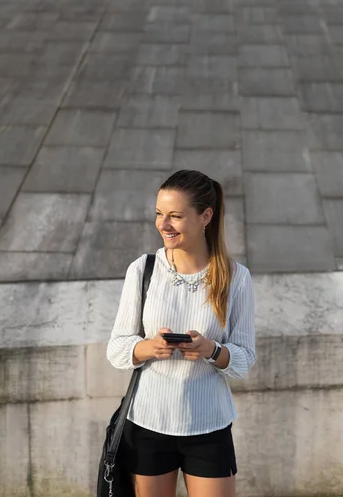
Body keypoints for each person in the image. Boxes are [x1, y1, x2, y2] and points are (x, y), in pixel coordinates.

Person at [107, 169, 256, 497]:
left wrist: (212, 351)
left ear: (205, 216)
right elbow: (117, 348)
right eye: (159, 214)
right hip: (148, 422)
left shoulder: (236, 278)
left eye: (175, 216)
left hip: (210, 425)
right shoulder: (143, 270)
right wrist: (150, 347)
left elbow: (244, 359)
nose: (163, 224)